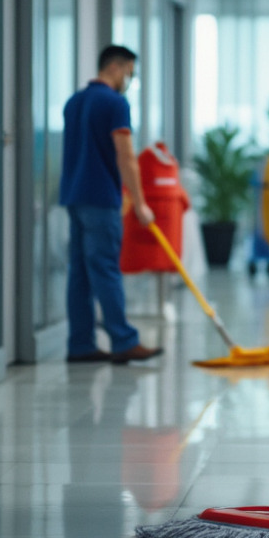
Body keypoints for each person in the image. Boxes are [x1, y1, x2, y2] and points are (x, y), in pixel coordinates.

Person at [59, 45, 163, 364]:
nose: (129, 81)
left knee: (80, 273)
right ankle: (123, 341)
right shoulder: (115, 103)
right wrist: (142, 204)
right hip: (101, 197)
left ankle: (80, 344)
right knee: (105, 268)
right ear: (116, 67)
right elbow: (126, 155)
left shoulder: (73, 103)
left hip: (73, 196)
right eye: (130, 73)